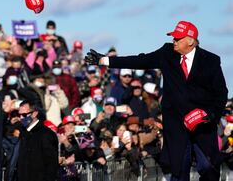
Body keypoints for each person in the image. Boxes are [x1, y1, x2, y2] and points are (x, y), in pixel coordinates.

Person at [85, 20, 229, 180]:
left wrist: (208, 114)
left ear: (190, 41)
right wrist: (105, 60)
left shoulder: (211, 61)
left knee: (209, 168)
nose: (173, 41)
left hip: (203, 126)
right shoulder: (167, 53)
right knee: (179, 172)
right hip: (176, 127)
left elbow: (221, 93)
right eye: (173, 37)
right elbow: (140, 60)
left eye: (177, 38)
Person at [17, 101, 59, 181]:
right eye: (19, 115)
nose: (21, 118)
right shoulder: (22, 132)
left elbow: (51, 165)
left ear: (35, 113)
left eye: (24, 115)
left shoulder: (47, 134)